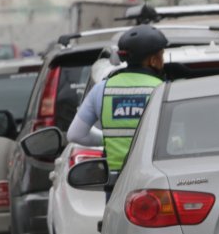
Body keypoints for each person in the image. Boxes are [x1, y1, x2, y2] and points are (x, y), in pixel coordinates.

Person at [67, 25, 168, 184]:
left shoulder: (102, 89)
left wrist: (109, 138)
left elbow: (75, 134)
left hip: (115, 184)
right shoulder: (163, 89)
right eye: (161, 56)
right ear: (152, 60)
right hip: (155, 180)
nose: (162, 61)